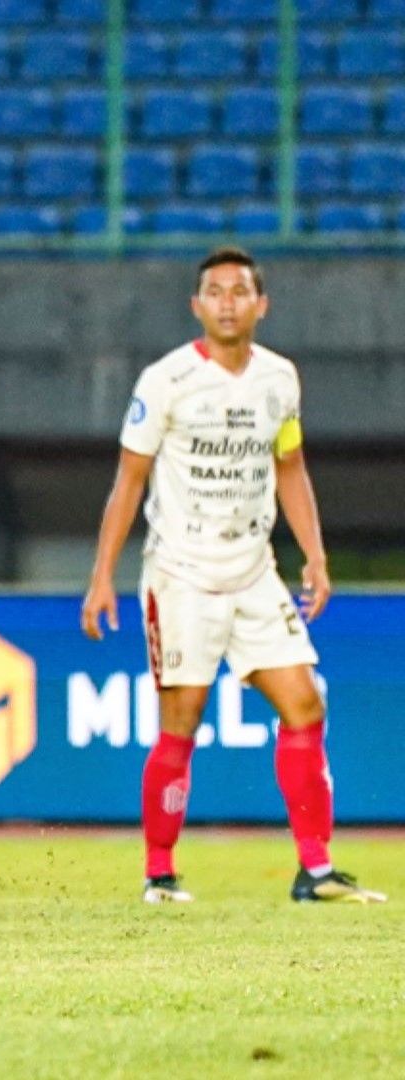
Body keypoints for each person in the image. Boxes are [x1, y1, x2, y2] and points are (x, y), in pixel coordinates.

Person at [82, 246, 385, 905]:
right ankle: (160, 874)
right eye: (214, 291)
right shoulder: (165, 381)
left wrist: (315, 553)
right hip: (182, 573)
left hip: (254, 570)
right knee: (182, 719)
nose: (226, 301)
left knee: (305, 704)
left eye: (238, 291)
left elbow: (290, 465)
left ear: (260, 304)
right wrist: (102, 574)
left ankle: (316, 870)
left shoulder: (279, 379)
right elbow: (129, 482)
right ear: (197, 306)